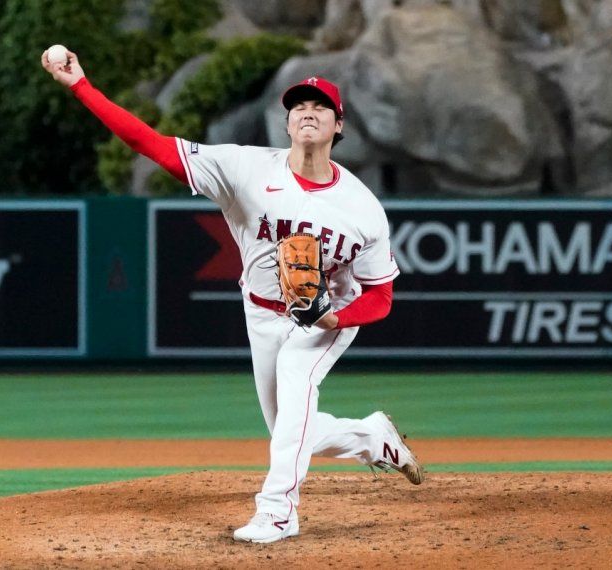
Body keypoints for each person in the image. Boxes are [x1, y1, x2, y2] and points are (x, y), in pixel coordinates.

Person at [42, 48, 424, 544]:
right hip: (260, 312)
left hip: (327, 318)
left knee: (295, 382)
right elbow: (151, 145)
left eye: (320, 108)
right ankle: (372, 438)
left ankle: (278, 512)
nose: (308, 112)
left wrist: (334, 319)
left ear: (338, 125)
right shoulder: (242, 168)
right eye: (298, 107)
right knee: (289, 428)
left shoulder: (362, 208)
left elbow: (380, 295)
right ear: (286, 123)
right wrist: (81, 86)